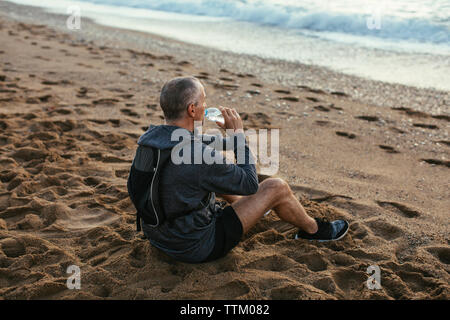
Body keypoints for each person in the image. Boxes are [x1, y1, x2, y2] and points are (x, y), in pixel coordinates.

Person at [136, 76, 349, 263]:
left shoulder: (149, 141)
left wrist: (232, 140)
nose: (206, 105)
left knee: (211, 178)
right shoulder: (200, 156)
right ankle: (315, 231)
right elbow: (249, 184)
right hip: (195, 246)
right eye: (204, 102)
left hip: (158, 234)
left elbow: (197, 145)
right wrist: (238, 135)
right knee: (276, 187)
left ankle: (251, 209)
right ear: (193, 109)